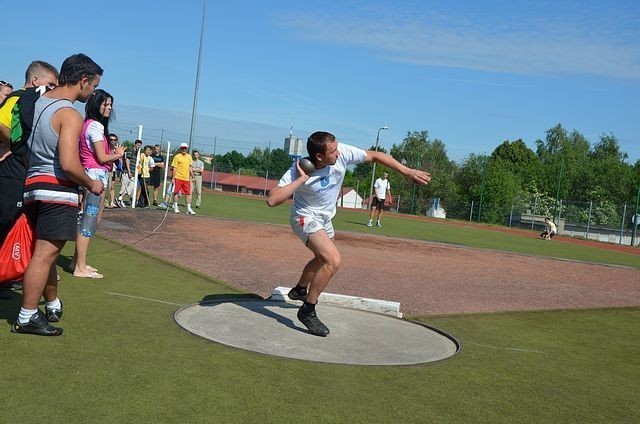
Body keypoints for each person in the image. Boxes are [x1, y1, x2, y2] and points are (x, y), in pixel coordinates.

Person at [267, 131, 431, 336]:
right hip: (305, 217)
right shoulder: (300, 169)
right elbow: (272, 200)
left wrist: (407, 171)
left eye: (337, 148)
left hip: (325, 218)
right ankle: (307, 310)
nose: (338, 153)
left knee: (321, 258)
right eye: (333, 151)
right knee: (332, 260)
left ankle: (300, 289)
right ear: (319, 156)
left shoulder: (342, 152)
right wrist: (301, 181)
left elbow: (376, 155)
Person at [12, 53, 104, 336]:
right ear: (83, 80)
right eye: (93, 86)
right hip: (56, 189)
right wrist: (91, 183)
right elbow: (68, 162)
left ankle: (51, 302)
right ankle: (27, 315)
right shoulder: (70, 113)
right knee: (45, 253)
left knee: (46, 253)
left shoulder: (38, 102)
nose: (92, 93)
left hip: (32, 185)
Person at [0, 61, 59, 245]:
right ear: (35, 80)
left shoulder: (33, 101)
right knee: (6, 222)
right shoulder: (19, 98)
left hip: (21, 173)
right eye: (50, 85)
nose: (52, 90)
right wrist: (11, 144)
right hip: (11, 173)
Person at [71, 89, 125, 279]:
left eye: (110, 104)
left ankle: (77, 261)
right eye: (106, 104)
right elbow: (101, 157)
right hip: (95, 176)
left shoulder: (87, 124)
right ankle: (80, 266)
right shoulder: (95, 127)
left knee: (91, 219)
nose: (109, 108)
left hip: (93, 174)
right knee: (90, 220)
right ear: (97, 104)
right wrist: (118, 154)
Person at [171, 142, 195, 215]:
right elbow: (174, 168)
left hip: (186, 178)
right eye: (182, 148)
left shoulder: (189, 157)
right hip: (178, 177)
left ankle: (188, 208)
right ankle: (175, 206)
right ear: (180, 148)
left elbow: (190, 167)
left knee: (188, 193)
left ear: (187, 149)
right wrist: (173, 178)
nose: (184, 149)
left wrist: (192, 175)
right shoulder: (177, 156)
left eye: (185, 148)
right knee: (176, 192)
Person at [106, 133, 122, 208]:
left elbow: (120, 160)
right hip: (105, 169)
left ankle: (112, 202)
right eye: (111, 139)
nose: (113, 141)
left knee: (112, 186)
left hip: (112, 170)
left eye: (115, 140)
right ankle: (104, 202)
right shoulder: (105, 147)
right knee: (104, 187)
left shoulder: (117, 149)